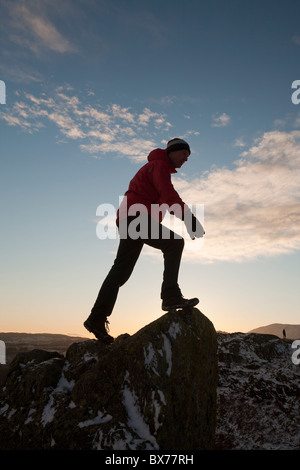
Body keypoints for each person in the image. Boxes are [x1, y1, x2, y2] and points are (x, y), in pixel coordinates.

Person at [84, 138, 205, 343]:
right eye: (184, 154)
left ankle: (96, 318)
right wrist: (188, 217)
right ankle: (170, 295)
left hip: (130, 218)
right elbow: (168, 195)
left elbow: (162, 200)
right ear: (173, 151)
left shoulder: (156, 166)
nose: (186, 159)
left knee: (121, 271)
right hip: (135, 218)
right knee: (174, 243)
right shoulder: (159, 166)